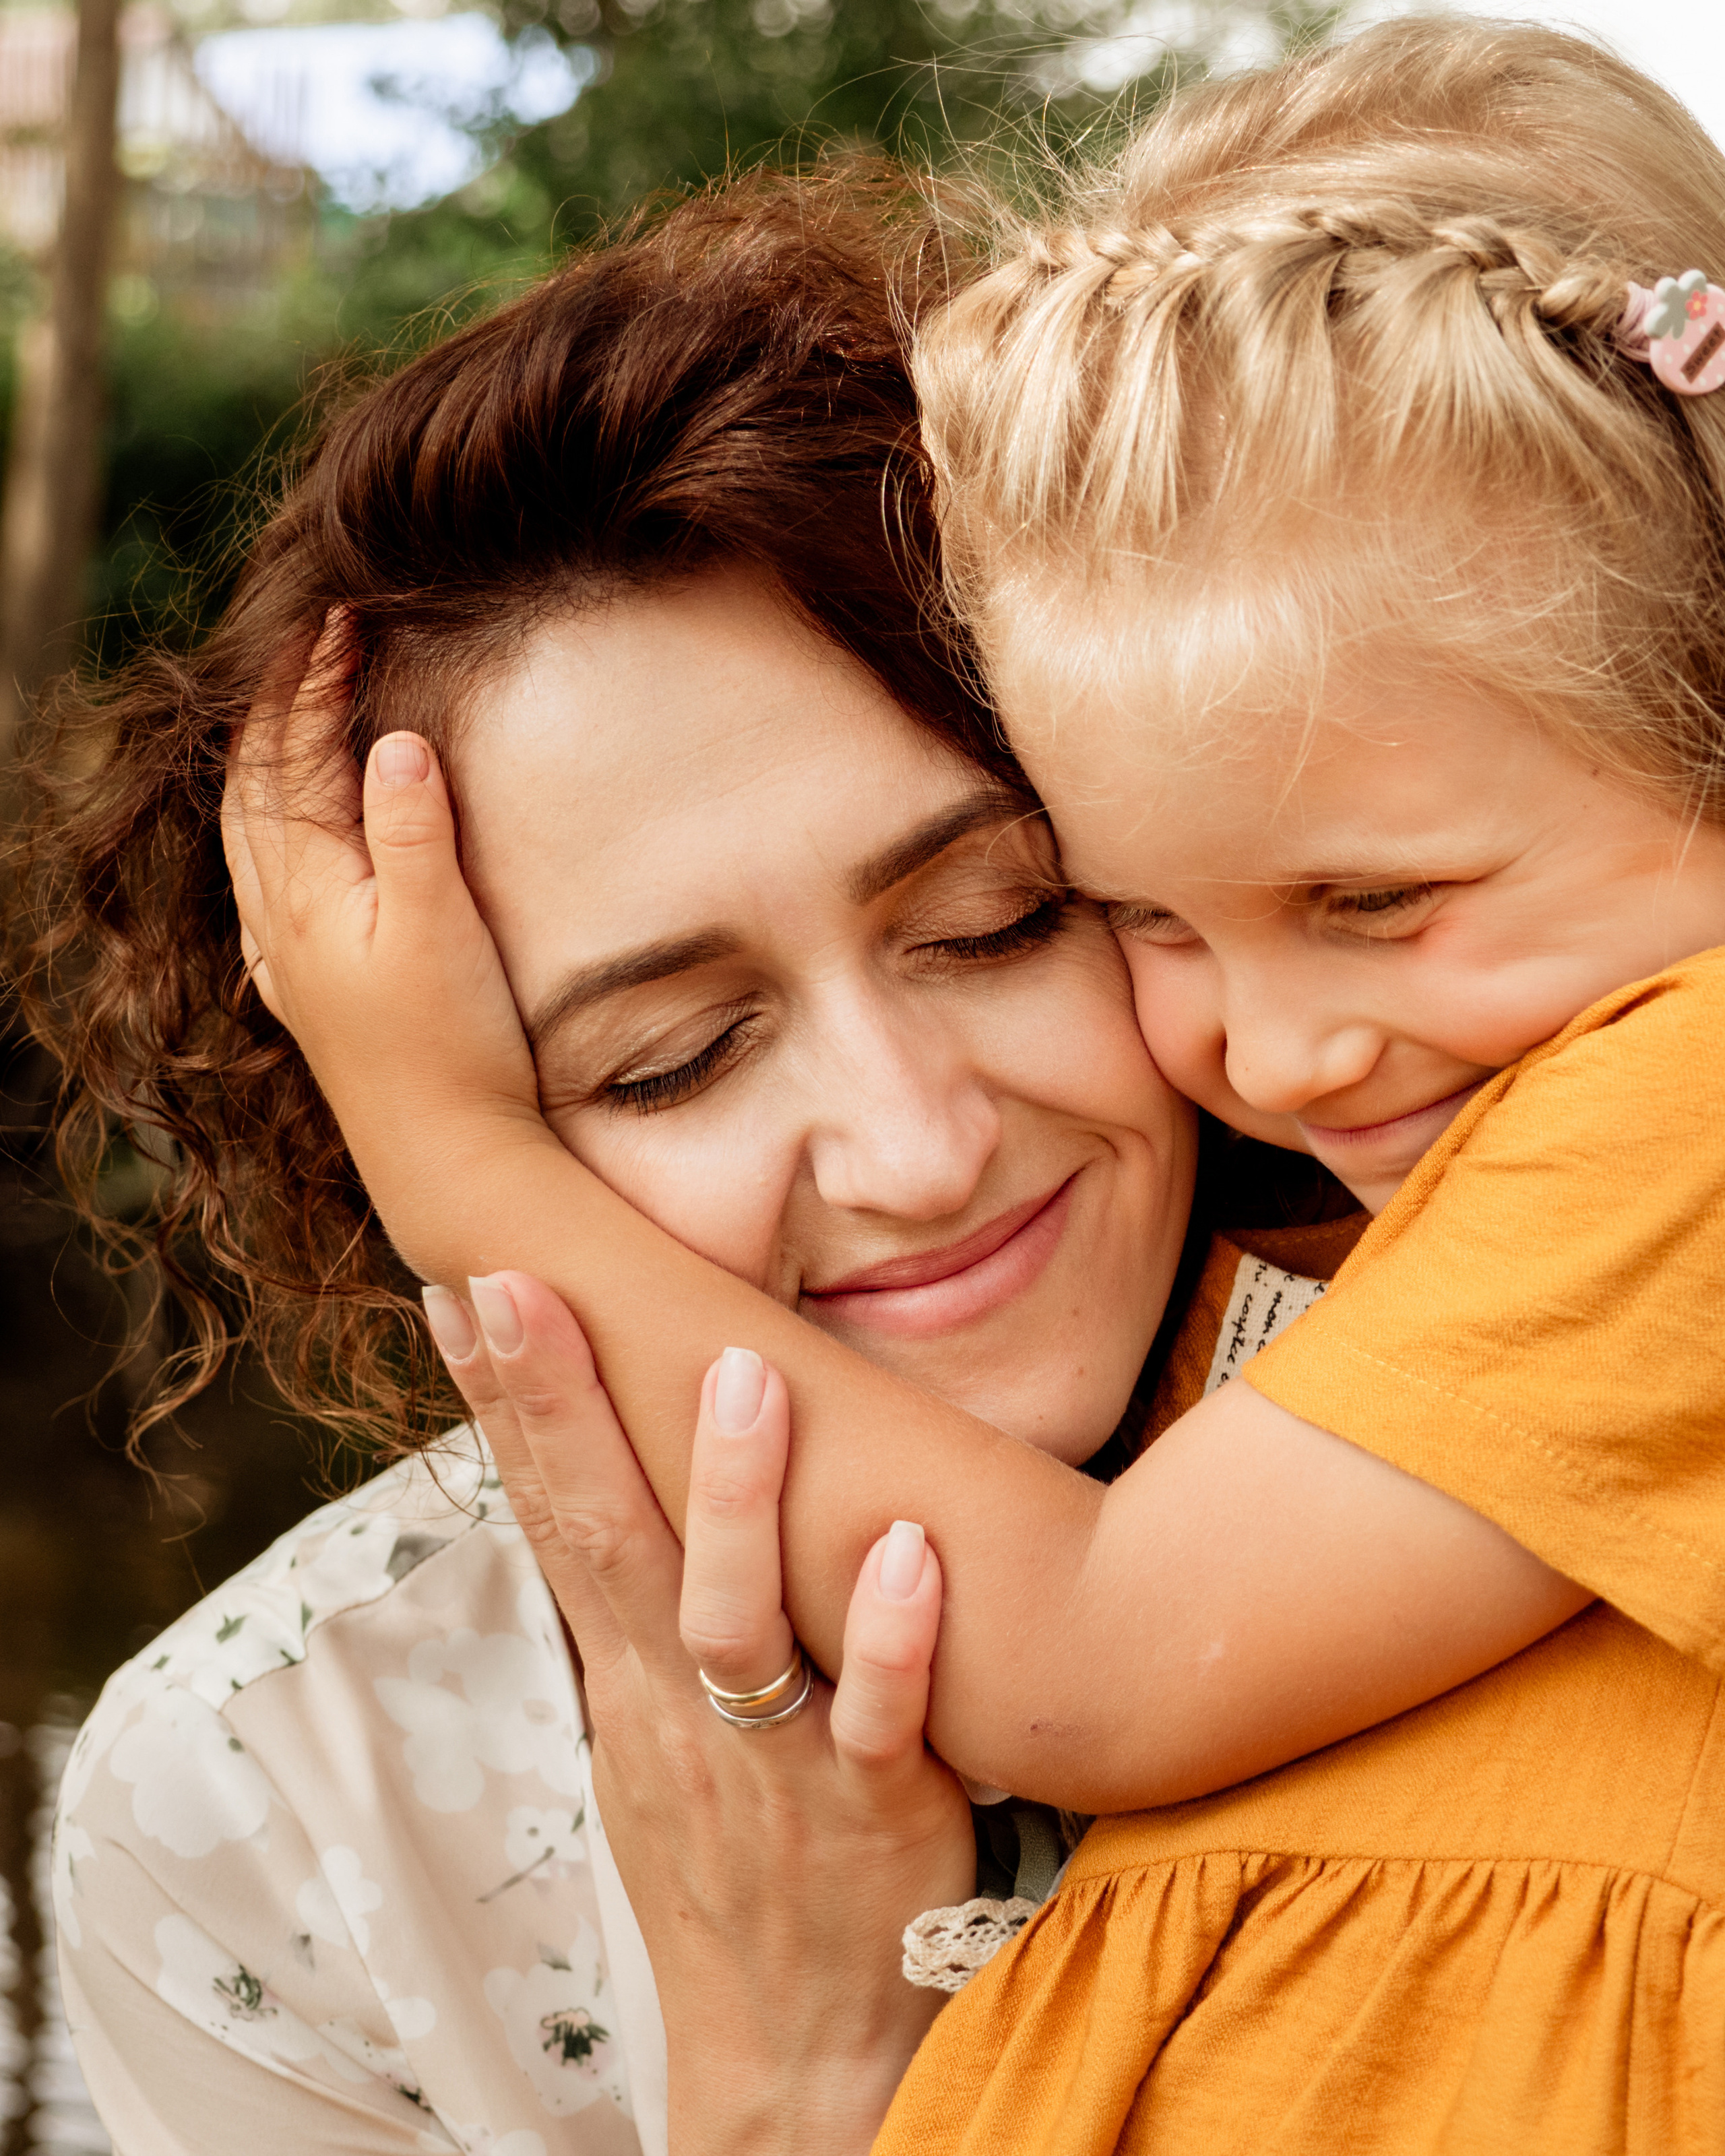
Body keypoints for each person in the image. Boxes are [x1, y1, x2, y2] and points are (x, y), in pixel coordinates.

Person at [226, 15, 1725, 2152]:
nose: (1276, 1055)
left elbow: (1092, 1652)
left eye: (1002, 921)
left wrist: (447, 1142)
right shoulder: (267, 1797)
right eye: (1150, 919)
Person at [22, 171, 1239, 2155]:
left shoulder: (1524, 1423)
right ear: (403, 1130)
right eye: (671, 1062)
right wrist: (795, 2081)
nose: (921, 1151)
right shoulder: (269, 1807)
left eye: (1004, 919)